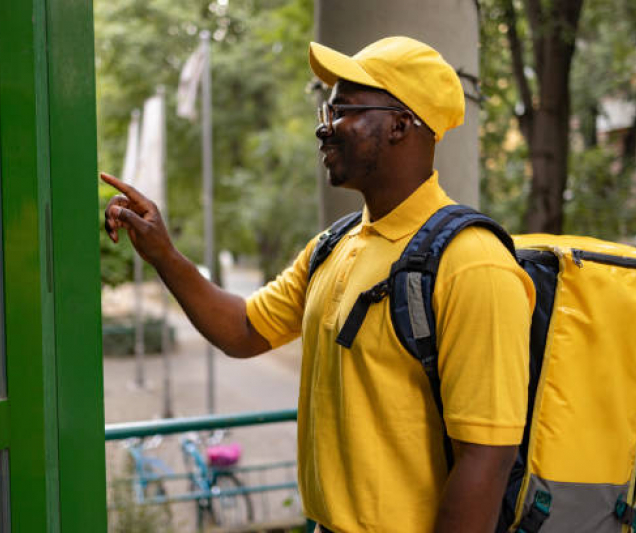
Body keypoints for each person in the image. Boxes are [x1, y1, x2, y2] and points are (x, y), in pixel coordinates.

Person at [103, 36, 535, 533]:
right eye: (327, 109)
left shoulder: (472, 265)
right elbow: (244, 329)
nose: (323, 128)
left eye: (344, 110)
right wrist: (165, 254)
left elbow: (487, 458)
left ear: (400, 125)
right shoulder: (334, 245)